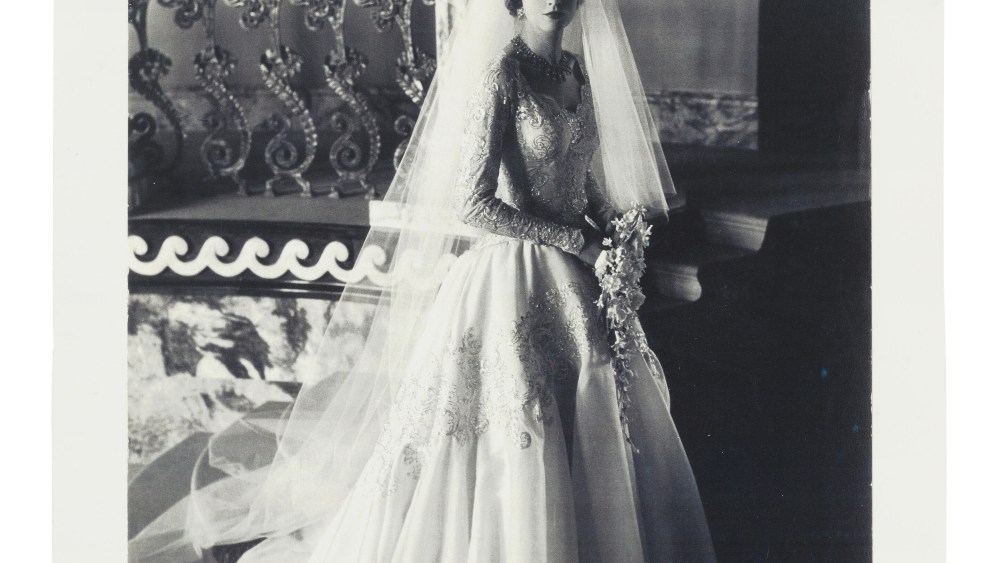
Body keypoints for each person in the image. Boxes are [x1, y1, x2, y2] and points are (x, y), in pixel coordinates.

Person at [128, 0, 716, 561]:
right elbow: (476, 205)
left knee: (596, 413)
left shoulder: (574, 71)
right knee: (516, 426)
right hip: (514, 276)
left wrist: (613, 227)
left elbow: (576, 176)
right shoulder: (501, 78)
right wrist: (579, 242)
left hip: (579, 277)